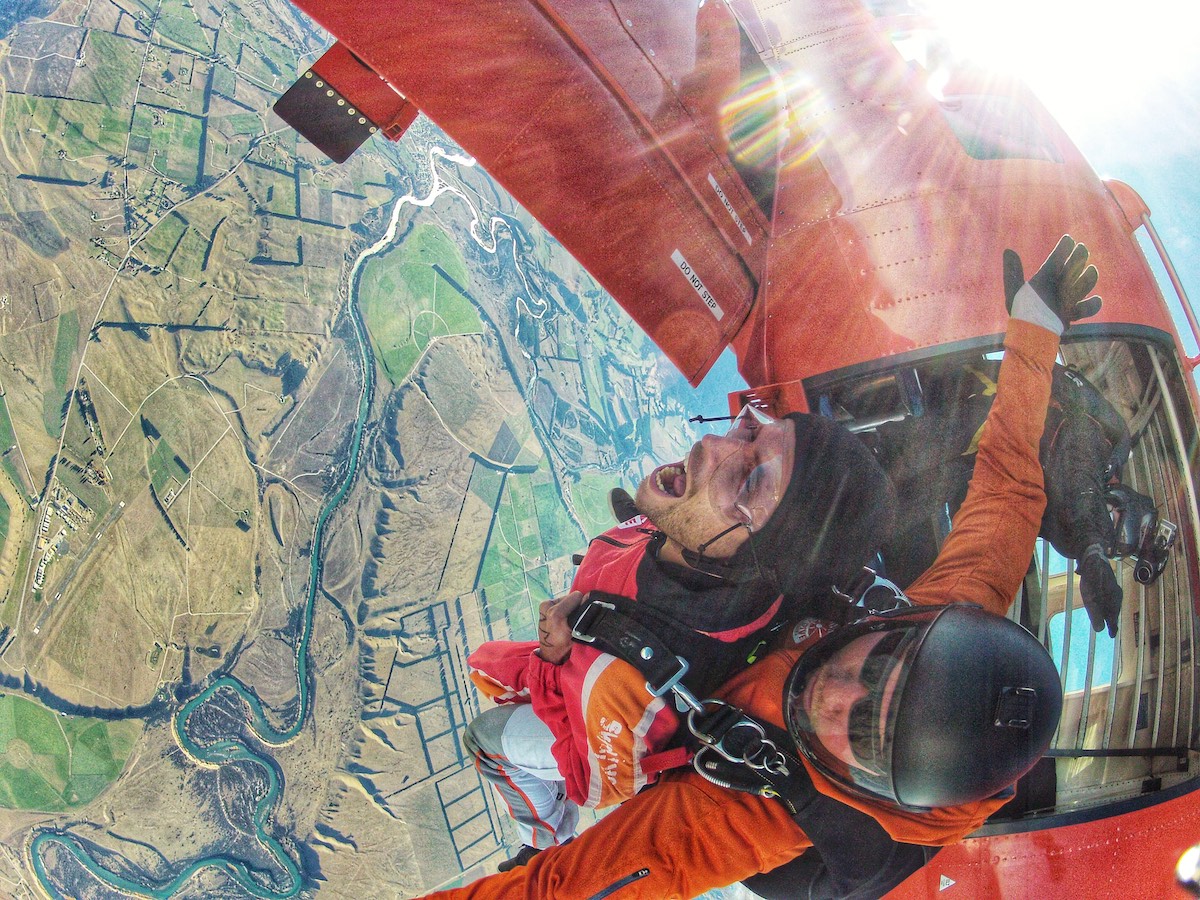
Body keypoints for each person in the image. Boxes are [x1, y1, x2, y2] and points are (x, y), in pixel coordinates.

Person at [423, 235, 1098, 899]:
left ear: (869, 778)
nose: (837, 694)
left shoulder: (751, 815)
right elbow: (1010, 489)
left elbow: (564, 893)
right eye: (876, 663)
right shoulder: (944, 624)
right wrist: (1036, 329)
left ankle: (542, 831)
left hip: (743, 784)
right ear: (906, 627)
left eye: (864, 730)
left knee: (492, 740)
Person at [464, 330, 896, 865]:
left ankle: (543, 841)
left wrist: (555, 664)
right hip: (597, 655)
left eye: (747, 481)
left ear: (751, 559)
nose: (710, 444)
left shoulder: (621, 686)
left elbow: (591, 780)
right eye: (750, 428)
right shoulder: (707, 550)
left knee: (486, 738)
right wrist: (648, 527)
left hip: (587, 706)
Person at [876, 354, 1149, 636]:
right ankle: (877, 450)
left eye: (1108, 540)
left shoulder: (1066, 521)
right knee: (934, 446)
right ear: (1117, 496)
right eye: (1110, 517)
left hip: (977, 457)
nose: (1102, 523)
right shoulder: (1100, 445)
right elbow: (1082, 479)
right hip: (989, 396)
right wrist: (1092, 549)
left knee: (896, 512)